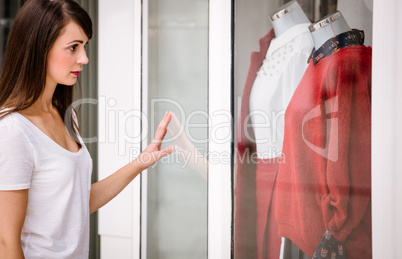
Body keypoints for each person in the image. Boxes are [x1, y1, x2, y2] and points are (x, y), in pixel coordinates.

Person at [0, 0, 174, 258]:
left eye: (84, 46)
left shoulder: (65, 116)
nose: (84, 58)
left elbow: (76, 204)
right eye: (73, 47)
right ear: (39, 48)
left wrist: (140, 162)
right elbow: (6, 242)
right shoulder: (13, 130)